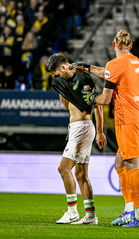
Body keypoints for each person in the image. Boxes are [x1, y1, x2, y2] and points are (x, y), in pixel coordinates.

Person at [73, 30, 139, 227]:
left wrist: (90, 99)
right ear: (130, 46)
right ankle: (128, 210)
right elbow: (110, 72)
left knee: (133, 165)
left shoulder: (114, 64)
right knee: (120, 163)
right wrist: (87, 68)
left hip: (128, 121)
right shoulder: (136, 61)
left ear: (113, 45)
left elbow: (106, 99)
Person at [45, 52, 107, 225]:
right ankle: (91, 216)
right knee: (81, 175)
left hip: (83, 127)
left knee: (63, 168)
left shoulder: (83, 78)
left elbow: (97, 105)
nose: (56, 78)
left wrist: (101, 132)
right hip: (75, 127)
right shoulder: (65, 81)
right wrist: (61, 87)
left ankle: (72, 212)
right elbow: (67, 106)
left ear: (63, 67)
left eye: (56, 73)